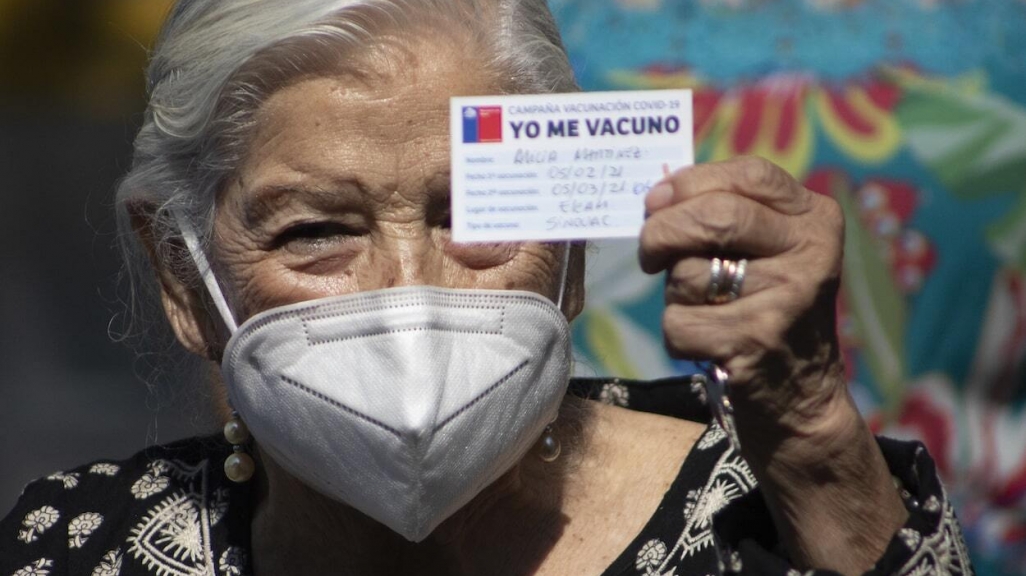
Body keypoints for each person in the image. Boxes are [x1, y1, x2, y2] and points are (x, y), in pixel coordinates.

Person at [0, 1, 972, 575]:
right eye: (317, 233)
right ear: (182, 273)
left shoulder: (760, 523)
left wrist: (806, 431)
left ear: (570, 253)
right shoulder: (77, 546)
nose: (409, 293)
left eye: (477, 219)